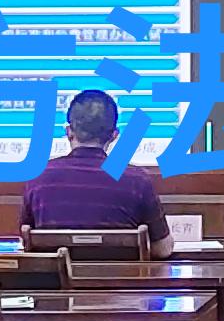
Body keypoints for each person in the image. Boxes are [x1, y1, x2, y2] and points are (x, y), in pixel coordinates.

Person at [19, 89, 166, 236]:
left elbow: (25, 237)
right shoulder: (138, 181)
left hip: (58, 252)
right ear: (114, 135)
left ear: (69, 131)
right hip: (114, 253)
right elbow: (162, 246)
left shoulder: (38, 178)